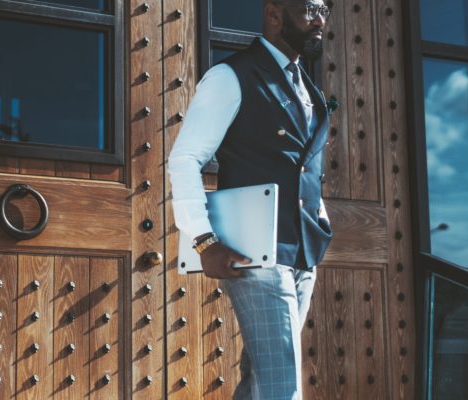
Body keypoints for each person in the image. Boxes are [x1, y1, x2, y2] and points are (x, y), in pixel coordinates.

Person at [167, 1, 335, 398]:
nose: (320, 20)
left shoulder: (306, 86)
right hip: (256, 252)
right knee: (282, 385)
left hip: (302, 253)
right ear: (274, 14)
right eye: (311, 9)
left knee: (262, 381)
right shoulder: (231, 76)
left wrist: (321, 218)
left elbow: (303, 167)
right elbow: (185, 158)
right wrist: (203, 239)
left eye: (325, 10)